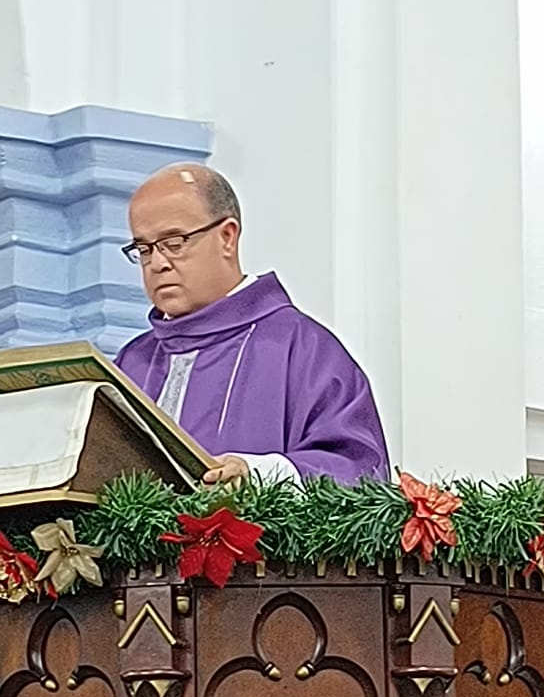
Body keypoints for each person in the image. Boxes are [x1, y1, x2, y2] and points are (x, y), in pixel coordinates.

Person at [115, 163, 389, 486]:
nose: (157, 264)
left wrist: (258, 474)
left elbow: (359, 469)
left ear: (227, 237)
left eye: (174, 243)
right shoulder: (132, 363)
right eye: (144, 250)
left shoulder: (303, 349)